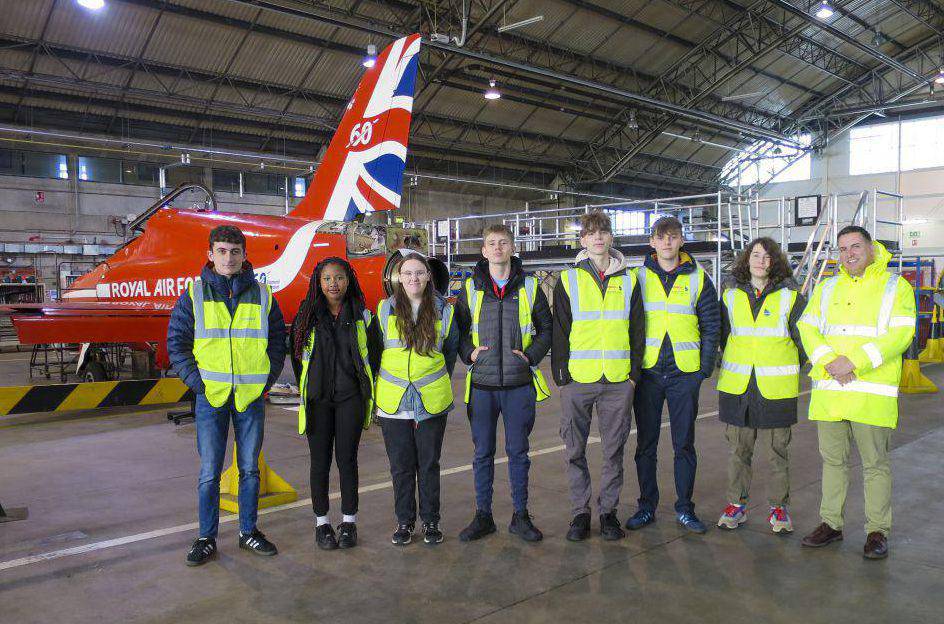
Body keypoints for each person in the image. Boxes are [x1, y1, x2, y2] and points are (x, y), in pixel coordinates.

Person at [168, 225, 286, 567]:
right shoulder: (194, 294)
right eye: (221, 251)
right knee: (209, 472)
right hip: (211, 397)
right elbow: (177, 342)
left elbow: (278, 341)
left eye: (235, 252)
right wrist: (198, 383)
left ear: (245, 256)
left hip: (250, 397)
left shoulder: (264, 296)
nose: (229, 258)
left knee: (250, 470)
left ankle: (248, 531)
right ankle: (206, 538)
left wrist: (266, 378)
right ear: (210, 255)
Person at [797, 226, 914, 559]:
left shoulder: (896, 287)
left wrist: (854, 362)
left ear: (871, 249)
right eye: (843, 248)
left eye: (855, 246)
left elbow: (900, 335)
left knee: (875, 464)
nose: (849, 254)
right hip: (832, 391)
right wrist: (830, 361)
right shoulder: (827, 286)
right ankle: (831, 524)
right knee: (833, 462)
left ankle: (877, 531)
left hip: (870, 395)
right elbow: (807, 326)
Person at [455, 224, 552, 543]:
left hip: (518, 385)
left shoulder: (530, 286)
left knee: (519, 452)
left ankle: (520, 516)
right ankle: (484, 516)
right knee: (482, 453)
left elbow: (546, 328)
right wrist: (469, 354)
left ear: (512, 248)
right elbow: (458, 331)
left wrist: (531, 355)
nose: (497, 248)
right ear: (483, 251)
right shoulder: (470, 287)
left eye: (503, 243)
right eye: (491, 244)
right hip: (481, 386)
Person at [552, 211, 645, 542]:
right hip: (578, 379)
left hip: (618, 381)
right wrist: (562, 376)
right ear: (583, 240)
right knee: (574, 450)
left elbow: (638, 329)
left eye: (603, 232)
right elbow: (560, 330)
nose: (598, 238)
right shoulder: (568, 279)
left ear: (610, 238)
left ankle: (608, 513)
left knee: (613, 451)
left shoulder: (631, 279)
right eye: (591, 233)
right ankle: (580, 513)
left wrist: (633, 374)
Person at [627, 215, 720, 535]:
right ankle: (645, 506)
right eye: (661, 237)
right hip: (649, 373)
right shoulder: (636, 277)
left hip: (684, 374)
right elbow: (628, 324)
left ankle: (685, 508)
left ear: (681, 241)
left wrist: (703, 368)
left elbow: (712, 325)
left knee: (684, 444)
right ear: (652, 242)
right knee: (646, 445)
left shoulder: (699, 277)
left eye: (673, 236)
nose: (667, 242)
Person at [715, 238, 807, 533]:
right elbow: (722, 334)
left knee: (778, 451)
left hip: (776, 388)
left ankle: (778, 509)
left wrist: (789, 366)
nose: (761, 261)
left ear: (775, 262)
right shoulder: (730, 295)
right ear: (747, 259)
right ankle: (736, 505)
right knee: (739, 450)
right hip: (738, 385)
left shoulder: (791, 297)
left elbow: (803, 341)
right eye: (756, 255)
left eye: (767, 257)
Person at [293, 257, 382, 550]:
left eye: (340, 278)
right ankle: (322, 524)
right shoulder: (307, 316)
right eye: (328, 278)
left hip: (350, 400)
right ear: (318, 282)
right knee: (320, 463)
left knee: (347, 461)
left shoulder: (364, 316)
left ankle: (348, 523)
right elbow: (297, 359)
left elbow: (376, 356)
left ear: (349, 280)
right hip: (318, 402)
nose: (334, 284)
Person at [375, 253, 459, 546]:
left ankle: (431, 521)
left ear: (428, 277)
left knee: (429, 464)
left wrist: (432, 380)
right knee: (401, 466)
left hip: (431, 399)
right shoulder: (385, 309)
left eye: (419, 273)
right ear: (399, 277)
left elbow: (450, 352)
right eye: (407, 273)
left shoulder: (443, 310)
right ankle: (405, 521)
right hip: (394, 400)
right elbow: (377, 352)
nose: (413, 279)